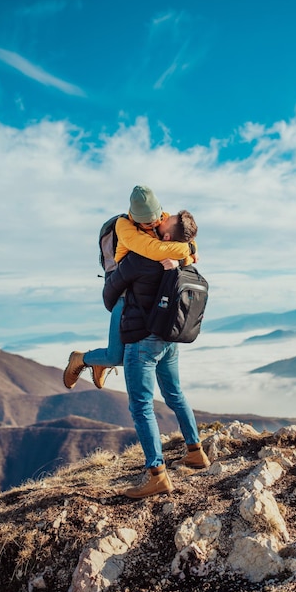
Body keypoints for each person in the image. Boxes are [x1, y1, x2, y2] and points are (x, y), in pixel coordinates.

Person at [103, 211, 209, 499]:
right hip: (169, 339)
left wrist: (115, 305)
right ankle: (196, 452)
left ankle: (157, 476)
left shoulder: (140, 257)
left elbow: (110, 291)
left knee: (141, 407)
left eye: (167, 219)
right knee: (175, 395)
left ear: (165, 236)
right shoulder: (181, 261)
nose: (163, 216)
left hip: (142, 342)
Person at [63, 186, 197, 390]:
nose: (154, 224)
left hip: (145, 298)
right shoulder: (124, 227)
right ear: (135, 217)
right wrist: (188, 250)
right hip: (124, 294)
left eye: (157, 219)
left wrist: (184, 257)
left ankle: (99, 363)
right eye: (147, 222)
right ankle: (81, 359)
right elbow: (154, 250)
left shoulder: (164, 219)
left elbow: (185, 242)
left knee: (127, 357)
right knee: (118, 356)